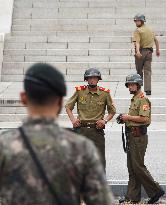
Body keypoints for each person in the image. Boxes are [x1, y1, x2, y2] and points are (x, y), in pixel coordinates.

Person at [0, 63, 114, 205]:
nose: (92, 80)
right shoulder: (80, 148)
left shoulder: (4, 144)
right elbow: (101, 201)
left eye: (94, 78)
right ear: (60, 101)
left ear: (24, 98)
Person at [118, 74, 165, 204]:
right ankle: (132, 197)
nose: (130, 87)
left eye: (132, 84)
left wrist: (128, 118)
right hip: (132, 135)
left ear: (138, 85)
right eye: (129, 85)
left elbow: (145, 119)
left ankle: (156, 191)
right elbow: (135, 118)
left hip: (139, 137)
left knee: (138, 166)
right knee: (132, 167)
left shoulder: (143, 99)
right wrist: (124, 119)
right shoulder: (135, 99)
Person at [65, 68, 116, 169]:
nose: (92, 80)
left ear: (98, 79)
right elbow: (68, 107)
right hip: (81, 130)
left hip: (97, 130)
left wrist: (104, 120)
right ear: (86, 80)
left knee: (99, 159)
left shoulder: (104, 93)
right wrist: (73, 120)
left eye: (94, 78)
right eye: (90, 78)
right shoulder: (80, 92)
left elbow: (112, 111)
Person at [133, 14, 160, 95]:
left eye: (137, 21)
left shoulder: (138, 30)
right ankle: (148, 90)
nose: (136, 22)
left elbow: (137, 42)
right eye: (135, 21)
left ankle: (138, 88)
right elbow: (156, 40)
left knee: (139, 71)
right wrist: (157, 50)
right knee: (147, 71)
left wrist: (137, 51)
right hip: (149, 53)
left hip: (141, 52)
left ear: (141, 21)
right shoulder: (150, 30)